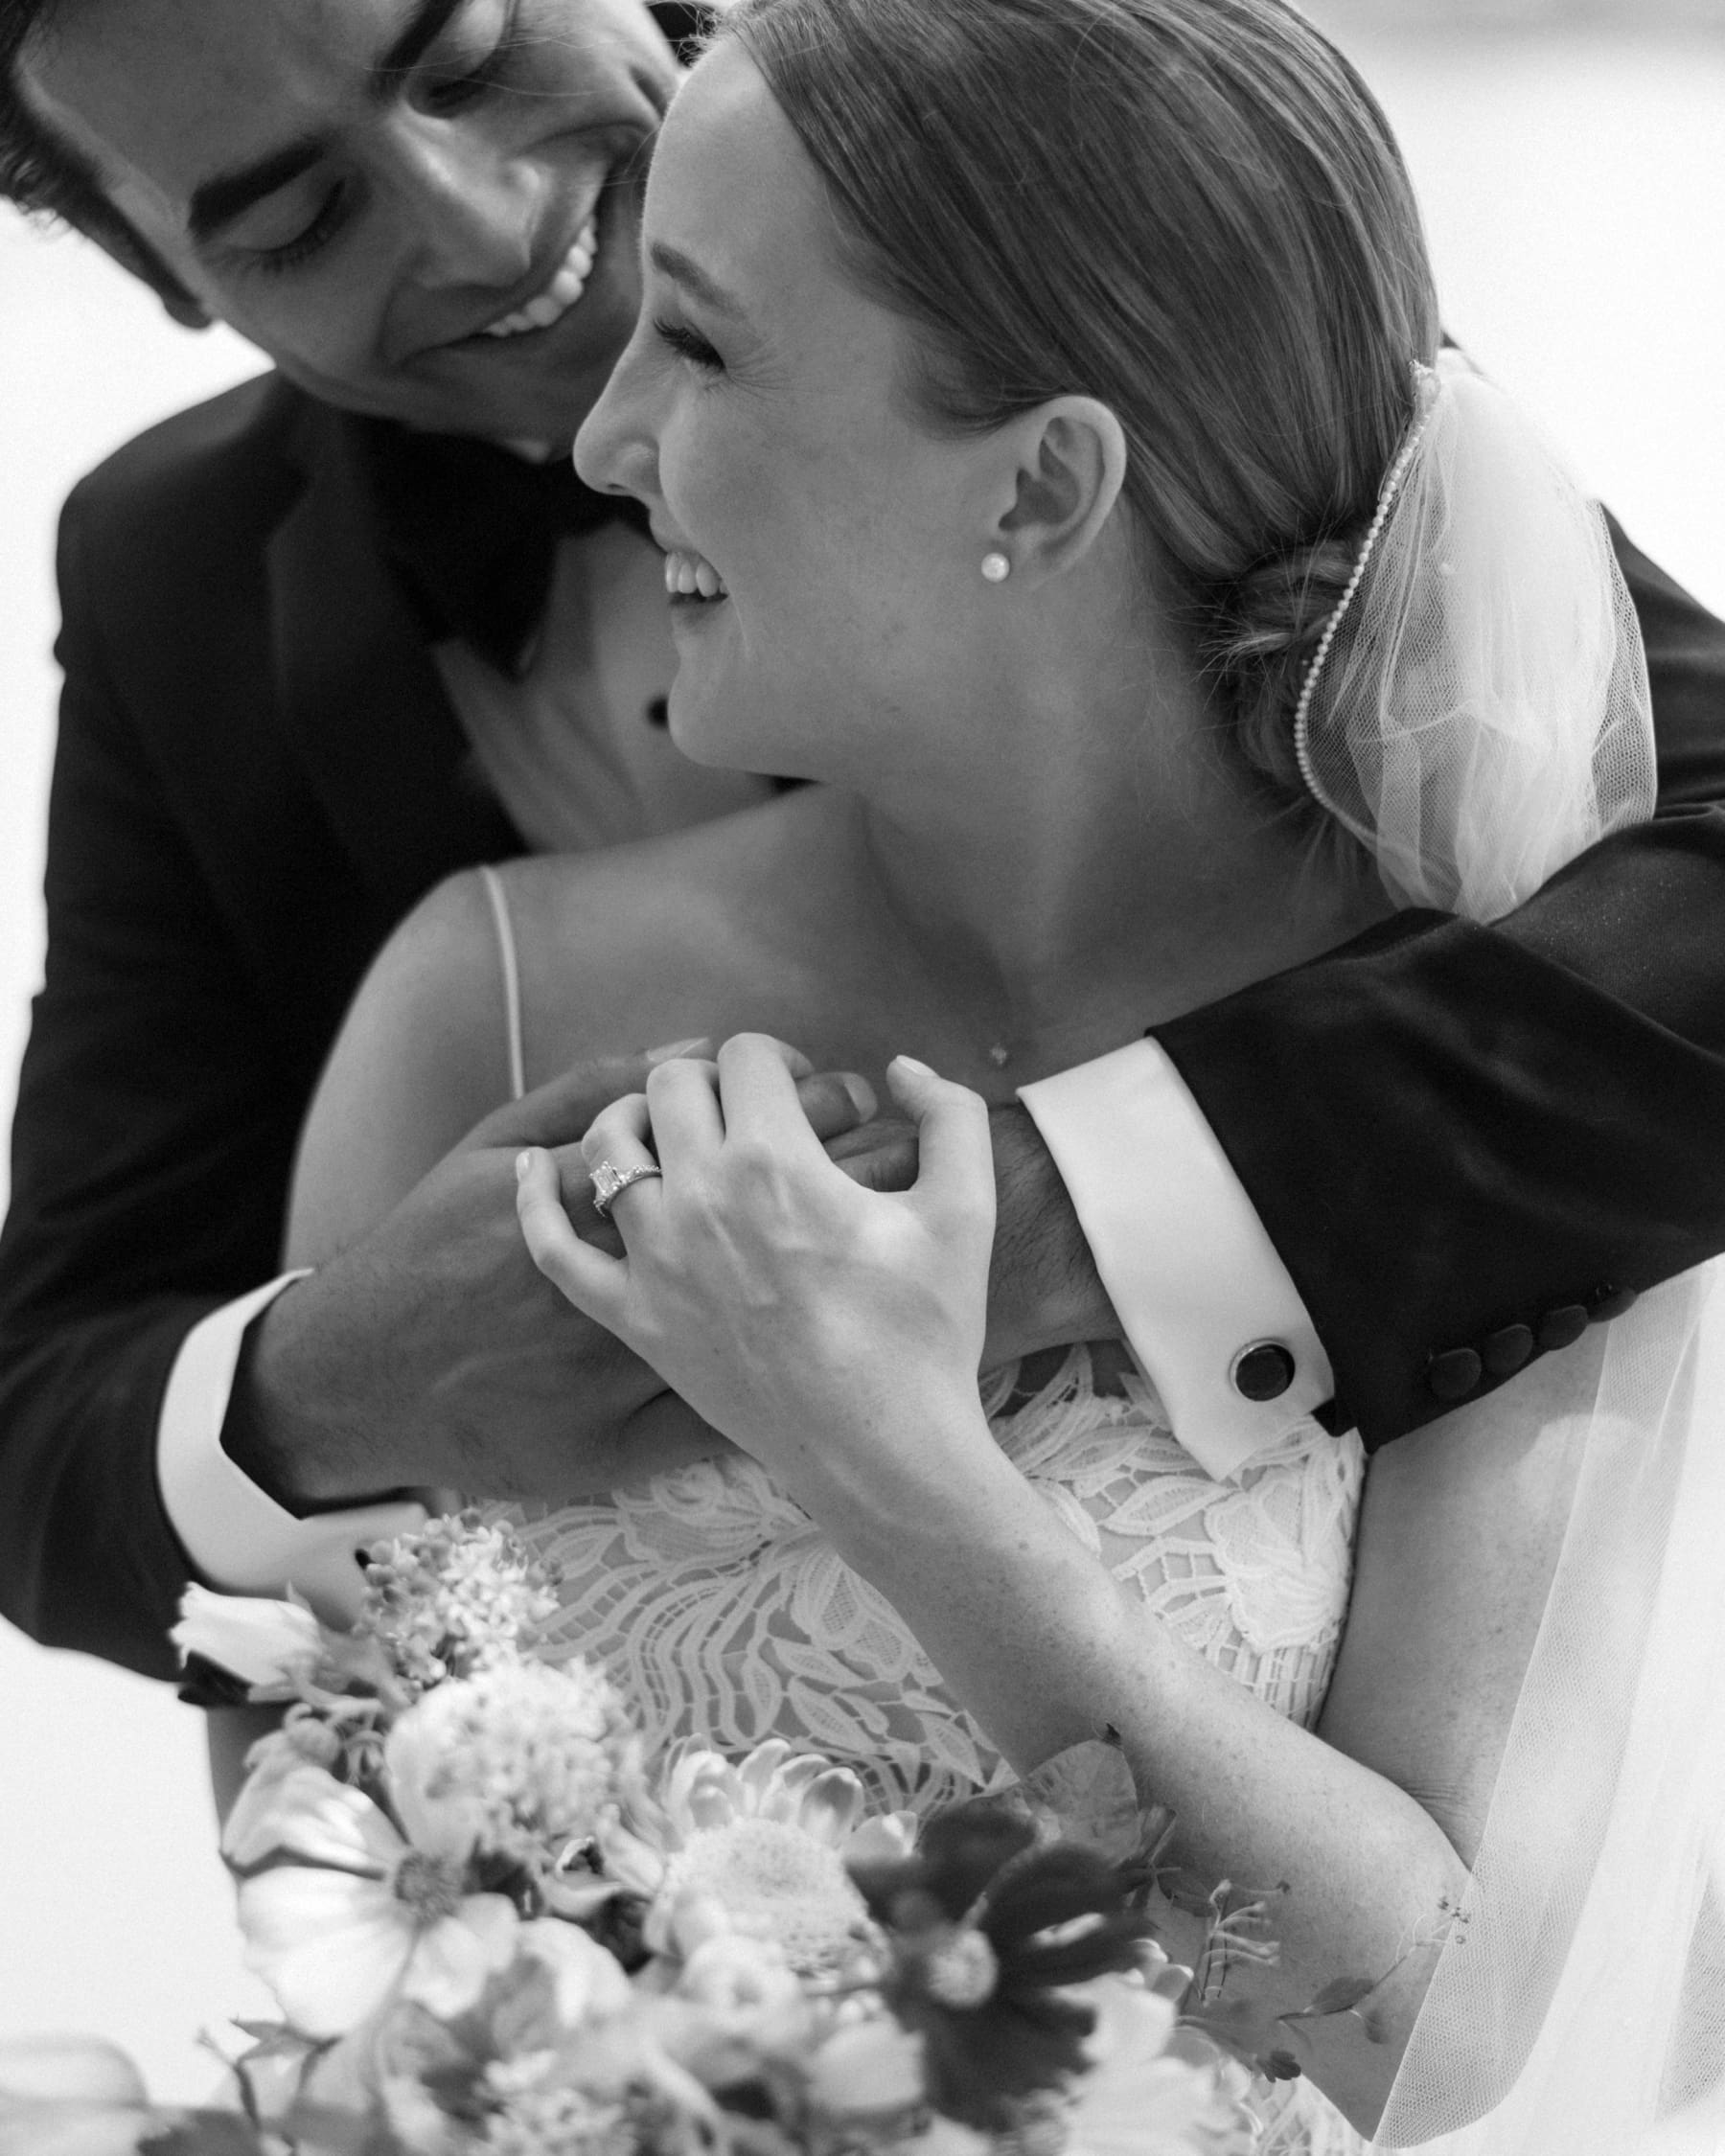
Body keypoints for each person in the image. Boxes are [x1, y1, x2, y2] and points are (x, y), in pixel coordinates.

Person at [284, 0, 1725, 2141]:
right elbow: (338, 1964)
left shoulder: (1513, 1052)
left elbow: (1414, 2042)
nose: (598, 442)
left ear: (1041, 481)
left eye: (699, 343)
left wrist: (894, 1462)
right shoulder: (481, 1010)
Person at [6, 0, 1725, 1692]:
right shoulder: (183, 585)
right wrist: (330, 1382)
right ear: (180, 288)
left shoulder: (1088, 204)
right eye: (301, 220)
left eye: (470, 57)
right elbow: (46, 1418)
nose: (483, 217)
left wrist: (1053, 1216)